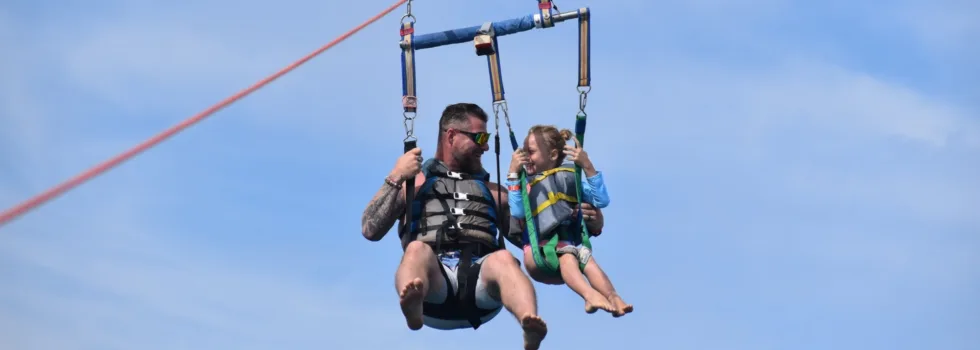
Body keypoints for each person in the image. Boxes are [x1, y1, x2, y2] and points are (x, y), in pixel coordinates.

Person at [360, 103, 607, 350]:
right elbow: (370, 229)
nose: (486, 146)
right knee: (416, 250)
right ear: (451, 135)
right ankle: (412, 304)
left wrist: (589, 224)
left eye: (487, 138)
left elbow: (542, 243)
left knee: (503, 259)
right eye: (480, 137)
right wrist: (395, 176)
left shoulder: (496, 194)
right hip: (433, 289)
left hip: (481, 287)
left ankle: (528, 321)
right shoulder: (414, 184)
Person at [506, 124, 633, 317]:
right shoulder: (528, 185)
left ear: (553, 155)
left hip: (570, 242)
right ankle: (588, 294)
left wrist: (588, 166)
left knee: (588, 261)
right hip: (541, 249)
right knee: (568, 258)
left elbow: (601, 200)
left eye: (530, 152)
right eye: (524, 153)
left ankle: (613, 297)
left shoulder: (570, 178)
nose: (526, 158)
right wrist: (513, 173)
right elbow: (517, 211)